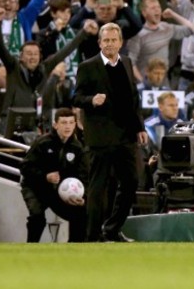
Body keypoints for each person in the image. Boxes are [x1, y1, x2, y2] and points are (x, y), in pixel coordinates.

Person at [73, 23, 148, 242]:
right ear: (99, 43)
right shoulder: (88, 66)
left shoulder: (126, 62)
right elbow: (76, 97)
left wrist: (139, 127)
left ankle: (112, 229)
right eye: (106, 40)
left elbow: (133, 98)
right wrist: (91, 101)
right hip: (101, 137)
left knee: (132, 181)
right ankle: (93, 235)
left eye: (114, 40)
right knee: (98, 188)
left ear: (120, 42)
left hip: (125, 135)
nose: (110, 44)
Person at [20, 108, 87, 242]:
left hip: (59, 190)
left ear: (75, 124)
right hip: (35, 187)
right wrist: (45, 176)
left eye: (71, 122)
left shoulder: (77, 147)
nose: (68, 126)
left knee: (81, 213)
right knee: (37, 217)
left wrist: (81, 195)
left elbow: (83, 174)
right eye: (63, 123)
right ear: (55, 124)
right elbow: (25, 167)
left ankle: (75, 251)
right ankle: (30, 248)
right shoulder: (42, 143)